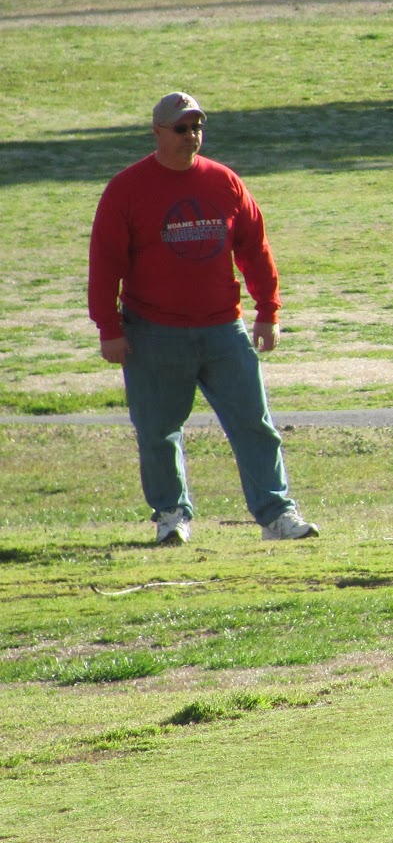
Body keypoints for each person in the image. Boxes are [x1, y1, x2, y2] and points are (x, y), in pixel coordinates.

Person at [87, 93, 318, 545]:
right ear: (158, 132)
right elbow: (105, 262)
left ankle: (276, 515)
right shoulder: (127, 188)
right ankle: (171, 516)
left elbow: (254, 248)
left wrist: (268, 311)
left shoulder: (224, 181)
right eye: (181, 128)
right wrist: (109, 328)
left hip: (222, 328)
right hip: (153, 331)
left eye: (197, 127)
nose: (191, 135)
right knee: (157, 429)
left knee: (255, 423)